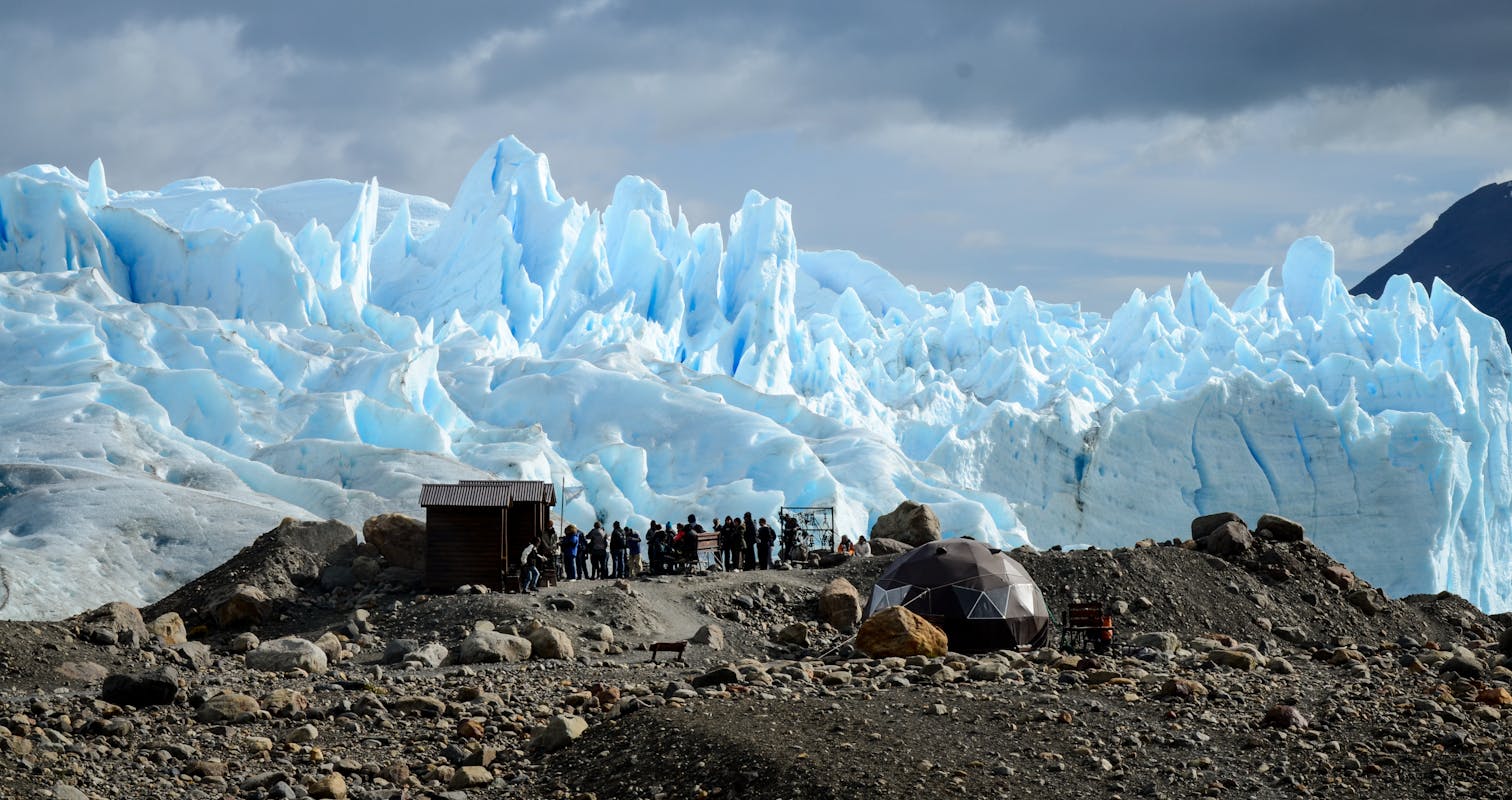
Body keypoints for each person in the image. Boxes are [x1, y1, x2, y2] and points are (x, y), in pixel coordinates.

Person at [540, 520, 560, 585]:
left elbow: (555, 541)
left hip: (552, 551)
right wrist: (547, 547)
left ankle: (553, 579)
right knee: (545, 565)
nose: (548, 526)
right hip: (546, 550)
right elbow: (543, 540)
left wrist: (551, 547)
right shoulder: (544, 532)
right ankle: (546, 580)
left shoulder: (554, 532)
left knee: (552, 565)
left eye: (549, 524)